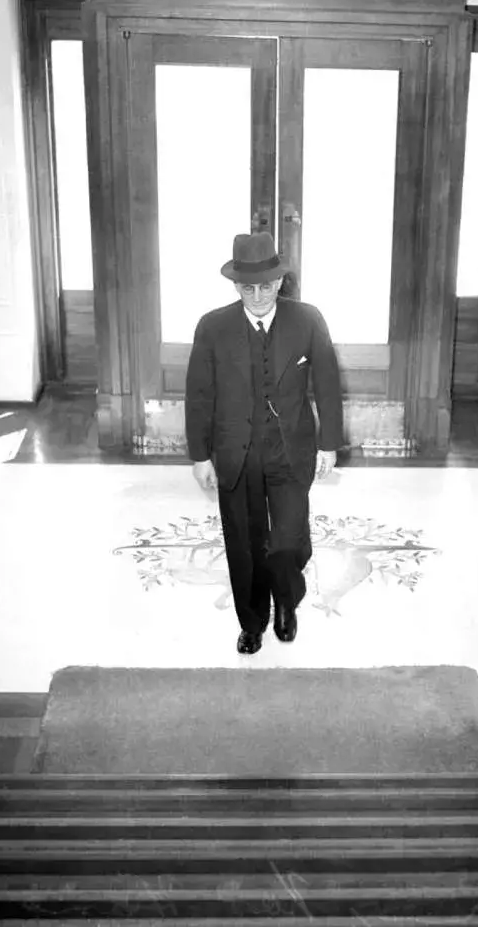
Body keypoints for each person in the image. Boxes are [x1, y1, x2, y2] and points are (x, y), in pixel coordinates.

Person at [185, 232, 344, 654]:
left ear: (280, 282)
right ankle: (252, 621)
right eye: (247, 288)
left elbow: (327, 384)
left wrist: (329, 444)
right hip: (235, 452)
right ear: (235, 286)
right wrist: (199, 455)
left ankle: (286, 602)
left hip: (290, 448)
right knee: (245, 542)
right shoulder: (212, 327)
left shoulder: (308, 320)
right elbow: (199, 395)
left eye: (266, 286)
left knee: (288, 540)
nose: (257, 296)